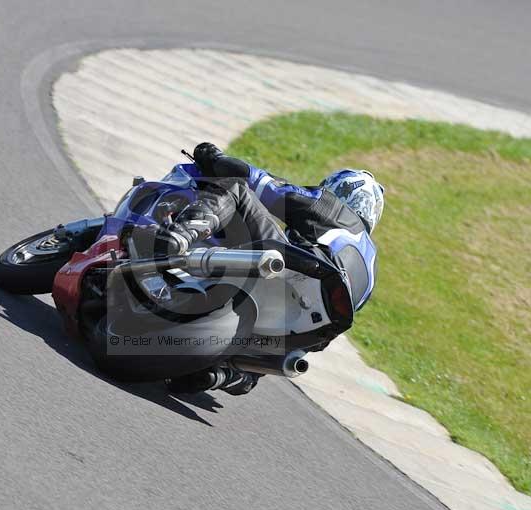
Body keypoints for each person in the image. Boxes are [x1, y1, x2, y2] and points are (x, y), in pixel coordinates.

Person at [158, 142, 385, 395]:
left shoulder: (333, 208)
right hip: (310, 329)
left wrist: (214, 158)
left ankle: (181, 235)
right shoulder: (372, 270)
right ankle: (231, 374)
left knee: (236, 187)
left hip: (303, 269)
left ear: (340, 192)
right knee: (283, 345)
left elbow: (266, 185)